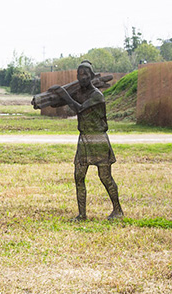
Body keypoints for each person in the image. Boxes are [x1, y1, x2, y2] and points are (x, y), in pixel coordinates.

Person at [51, 60, 123, 221]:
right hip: (84, 138)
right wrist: (51, 97)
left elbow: (80, 109)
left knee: (105, 177)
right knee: (79, 175)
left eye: (85, 74)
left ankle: (117, 210)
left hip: (98, 139)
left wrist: (64, 94)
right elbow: (61, 102)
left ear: (91, 76)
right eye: (79, 74)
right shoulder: (79, 93)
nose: (81, 77)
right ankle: (82, 214)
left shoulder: (97, 95)